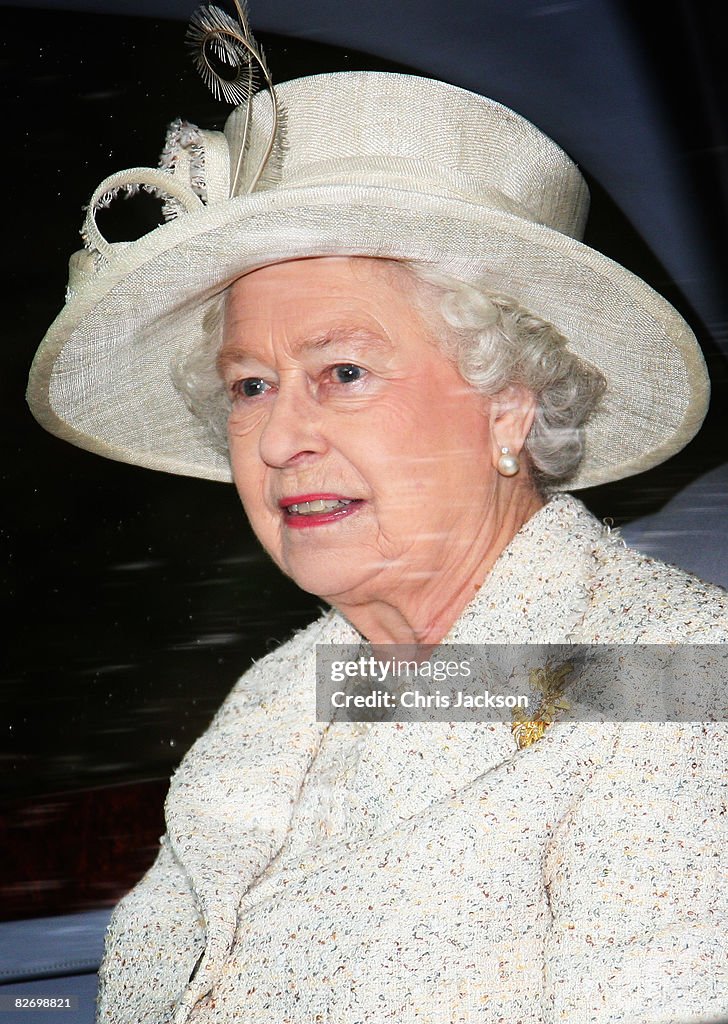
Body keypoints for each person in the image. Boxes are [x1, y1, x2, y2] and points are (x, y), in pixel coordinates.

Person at [26, 5, 728, 1023]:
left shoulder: (673, 684)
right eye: (250, 385)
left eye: (342, 371)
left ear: (508, 404)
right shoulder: (278, 700)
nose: (276, 439)